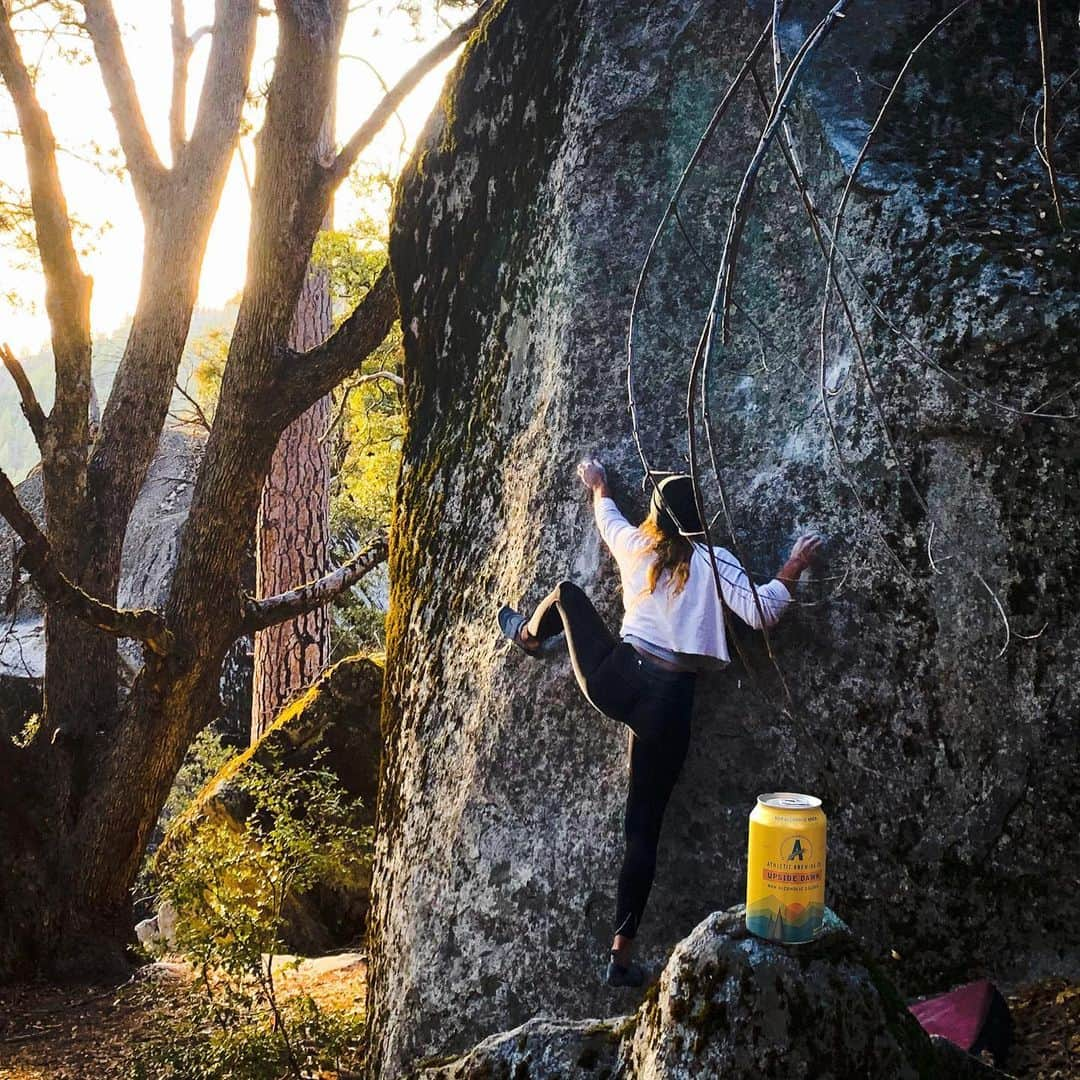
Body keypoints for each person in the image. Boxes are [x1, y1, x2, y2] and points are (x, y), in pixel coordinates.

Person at [498, 459, 822, 988]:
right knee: (642, 831)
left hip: (618, 680)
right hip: (669, 708)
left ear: (656, 518)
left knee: (565, 592)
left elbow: (609, 522)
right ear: (699, 520)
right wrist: (792, 566)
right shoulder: (715, 563)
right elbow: (762, 612)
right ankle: (620, 960)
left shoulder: (640, 546)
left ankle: (529, 635)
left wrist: (600, 486)